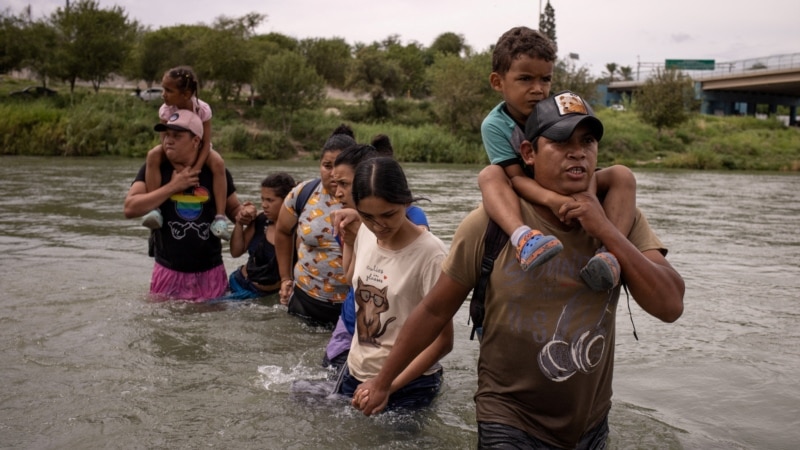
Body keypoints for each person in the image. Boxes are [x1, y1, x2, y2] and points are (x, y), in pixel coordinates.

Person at [352, 91, 685, 449]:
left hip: (589, 423)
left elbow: (669, 306)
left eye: (588, 141)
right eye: (561, 141)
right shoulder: (490, 225)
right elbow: (434, 310)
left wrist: (606, 231)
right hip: (508, 419)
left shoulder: (621, 218)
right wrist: (384, 382)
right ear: (529, 153)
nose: (578, 152)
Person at [477, 26, 637, 291]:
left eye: (546, 80)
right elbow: (515, 178)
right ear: (498, 82)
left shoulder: (555, 109)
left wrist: (586, 198)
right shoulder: (495, 124)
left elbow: (584, 160)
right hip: (529, 186)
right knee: (490, 175)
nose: (538, 90)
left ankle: (611, 255)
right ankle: (524, 238)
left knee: (622, 174)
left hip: (567, 180)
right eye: (525, 79)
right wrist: (556, 202)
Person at [336, 156, 452, 411]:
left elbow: (443, 341)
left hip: (409, 385)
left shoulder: (431, 255)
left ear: (406, 202)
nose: (379, 226)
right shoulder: (365, 232)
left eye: (388, 214)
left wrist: (386, 385)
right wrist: (350, 233)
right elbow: (351, 279)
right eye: (368, 216)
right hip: (356, 373)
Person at [322, 139, 430, 372]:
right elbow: (349, 277)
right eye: (335, 183)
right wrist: (351, 239)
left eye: (344, 183)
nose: (337, 192)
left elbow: (419, 244)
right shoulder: (356, 223)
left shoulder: (408, 218)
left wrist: (364, 224)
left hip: (386, 338)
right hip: (352, 327)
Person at [123, 109, 244, 301]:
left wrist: (247, 213)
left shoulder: (214, 171)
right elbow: (130, 208)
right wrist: (173, 186)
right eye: (167, 135)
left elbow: (234, 210)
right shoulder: (154, 168)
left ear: (196, 141)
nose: (168, 140)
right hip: (167, 270)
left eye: (177, 136)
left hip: (210, 272)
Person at [274, 125, 355, 327]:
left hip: (353, 306)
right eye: (327, 165)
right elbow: (283, 231)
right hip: (305, 299)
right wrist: (285, 279)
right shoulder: (303, 193)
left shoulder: (367, 197)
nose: (334, 173)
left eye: (340, 166)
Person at [140, 66, 232, 241]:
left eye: (168, 90)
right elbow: (164, 140)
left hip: (199, 148)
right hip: (173, 148)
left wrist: (195, 169)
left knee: (218, 163)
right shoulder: (165, 110)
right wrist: (176, 165)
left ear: (186, 93)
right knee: (153, 155)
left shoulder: (202, 110)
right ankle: (155, 209)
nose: (163, 94)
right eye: (163, 89)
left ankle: (220, 218)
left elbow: (205, 143)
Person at [226, 172, 297, 300]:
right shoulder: (260, 220)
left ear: (287, 200)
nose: (264, 205)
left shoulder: (297, 231)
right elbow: (235, 252)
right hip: (240, 284)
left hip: (267, 295)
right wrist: (239, 222)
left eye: (270, 200)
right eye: (262, 199)